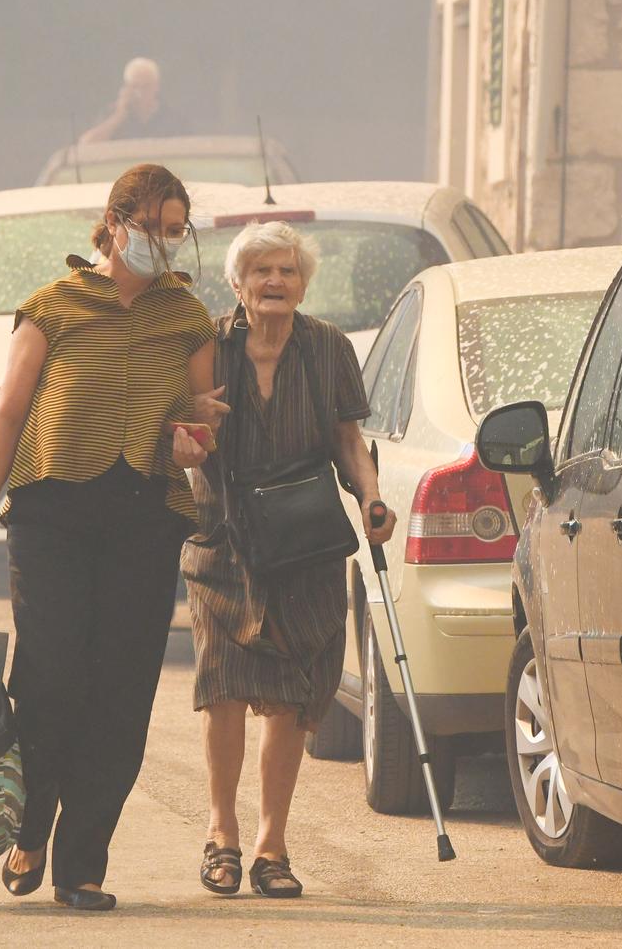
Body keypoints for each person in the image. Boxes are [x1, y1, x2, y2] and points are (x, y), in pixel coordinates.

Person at [0, 164, 217, 913]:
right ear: (115, 221)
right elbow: (8, 417)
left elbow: (199, 416)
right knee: (51, 679)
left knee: (122, 691)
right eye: (153, 225)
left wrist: (192, 443)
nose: (163, 241)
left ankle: (83, 863)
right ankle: (30, 827)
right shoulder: (52, 307)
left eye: (175, 229)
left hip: (144, 517)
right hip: (52, 514)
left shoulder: (186, 315)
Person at [182, 221, 396, 898]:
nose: (276, 282)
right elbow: (179, 436)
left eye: (288, 272)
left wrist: (370, 497)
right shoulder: (207, 347)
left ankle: (272, 845)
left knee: (288, 700)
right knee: (223, 689)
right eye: (263, 271)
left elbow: (347, 438)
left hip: (305, 543)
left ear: (302, 283)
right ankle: (222, 834)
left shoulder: (326, 346)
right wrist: (193, 428)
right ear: (238, 283)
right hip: (225, 539)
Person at [78, 57, 189, 143]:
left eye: (146, 86)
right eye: (135, 86)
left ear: (157, 86)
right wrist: (118, 116)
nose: (140, 92)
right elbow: (86, 145)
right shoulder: (112, 114)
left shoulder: (174, 120)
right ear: (126, 88)